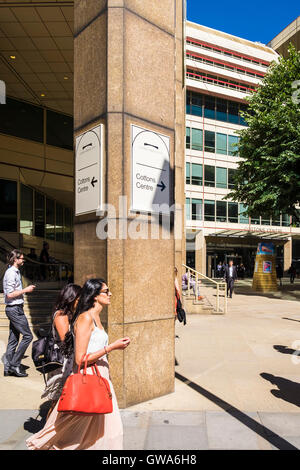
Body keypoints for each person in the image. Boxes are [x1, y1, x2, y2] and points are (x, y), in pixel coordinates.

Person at [26, 278, 130, 450]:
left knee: (104, 433)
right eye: (106, 291)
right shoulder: (85, 318)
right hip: (88, 379)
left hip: (101, 377)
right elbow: (80, 359)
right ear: (95, 296)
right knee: (74, 432)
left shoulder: (96, 316)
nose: (110, 294)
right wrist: (112, 347)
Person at [42, 283, 82, 419]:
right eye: (78, 299)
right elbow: (66, 340)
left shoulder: (70, 315)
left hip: (69, 361)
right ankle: (47, 434)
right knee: (57, 402)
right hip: (62, 364)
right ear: (71, 298)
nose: (80, 302)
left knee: (65, 400)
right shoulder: (60, 316)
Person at [3, 250, 36, 377]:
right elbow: (10, 294)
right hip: (15, 309)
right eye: (21, 258)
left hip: (14, 308)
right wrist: (25, 290)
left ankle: (8, 368)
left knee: (13, 339)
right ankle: (15, 364)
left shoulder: (14, 272)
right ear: (15, 259)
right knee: (28, 336)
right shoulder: (11, 273)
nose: (23, 260)